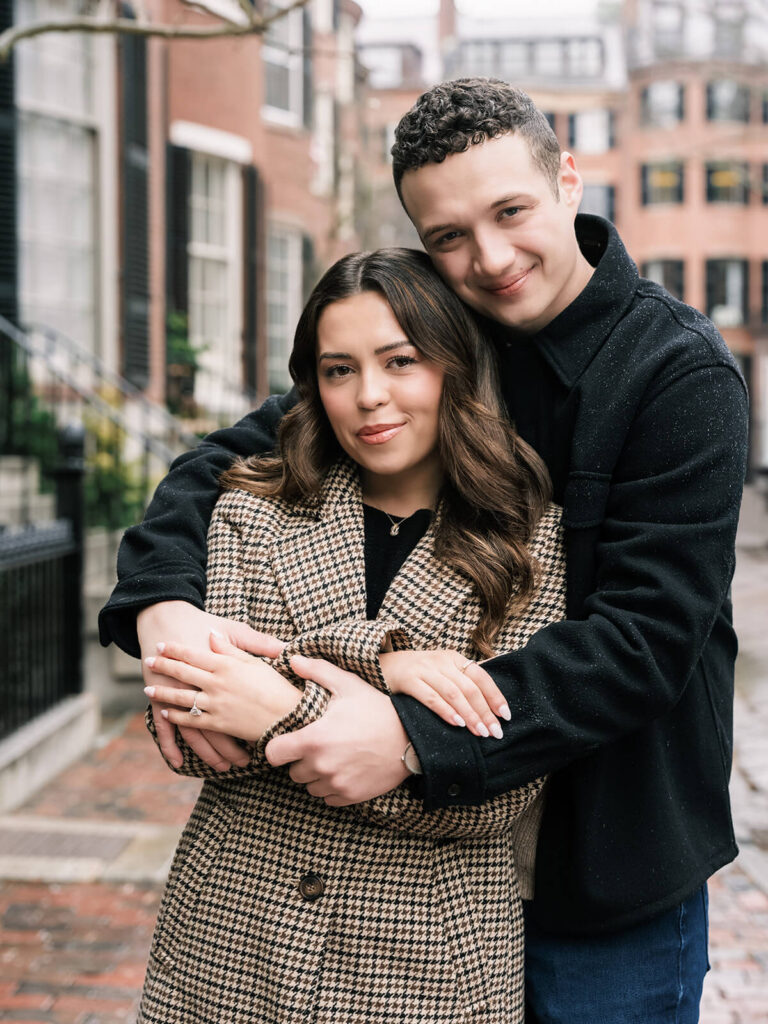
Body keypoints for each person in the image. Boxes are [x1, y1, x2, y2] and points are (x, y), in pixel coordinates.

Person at [99, 79, 749, 1022]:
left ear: (569, 180)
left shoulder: (678, 374)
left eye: (511, 212)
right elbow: (227, 460)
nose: (489, 258)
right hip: (421, 885)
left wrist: (412, 734)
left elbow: (645, 639)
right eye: (448, 236)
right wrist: (163, 612)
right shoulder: (439, 331)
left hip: (602, 865)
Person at [135, 247, 564, 1023]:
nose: (369, 397)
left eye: (401, 361)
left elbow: (495, 797)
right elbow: (205, 732)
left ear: (455, 365)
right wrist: (389, 671)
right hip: (230, 951)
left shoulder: (533, 547)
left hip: (428, 967)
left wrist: (276, 706)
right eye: (339, 370)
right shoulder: (248, 510)